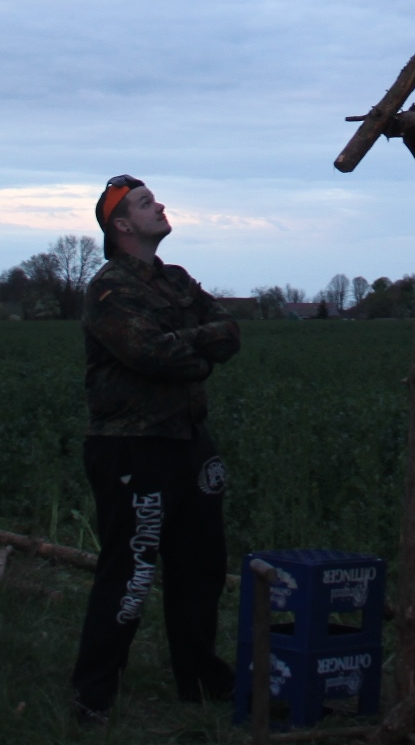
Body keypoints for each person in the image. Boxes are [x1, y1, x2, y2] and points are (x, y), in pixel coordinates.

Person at [69, 174, 243, 718]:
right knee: (131, 569)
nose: (160, 205)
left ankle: (200, 681)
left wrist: (185, 348)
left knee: (201, 566)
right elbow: (151, 354)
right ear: (122, 225)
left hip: (188, 439)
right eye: (146, 203)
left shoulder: (177, 281)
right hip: (131, 446)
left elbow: (229, 331)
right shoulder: (110, 290)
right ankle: (93, 696)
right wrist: (198, 355)